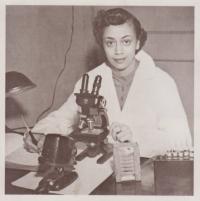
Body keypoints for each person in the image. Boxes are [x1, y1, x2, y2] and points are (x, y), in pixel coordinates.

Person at [23, 8, 192, 157]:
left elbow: (181, 140)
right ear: (102, 45)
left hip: (149, 171)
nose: (118, 51)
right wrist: (40, 133)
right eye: (110, 42)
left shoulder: (161, 82)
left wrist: (135, 137)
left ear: (138, 42)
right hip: (103, 170)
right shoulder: (90, 80)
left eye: (126, 41)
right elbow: (64, 117)